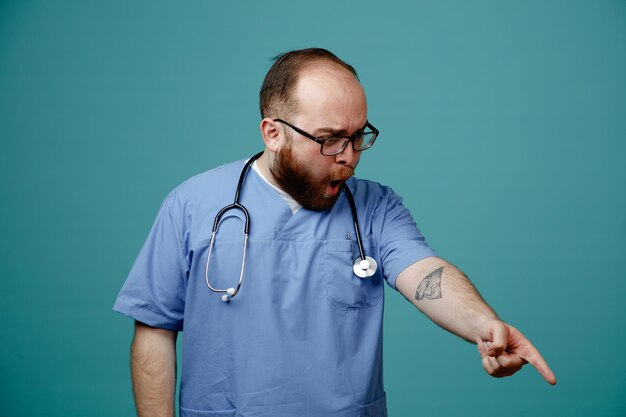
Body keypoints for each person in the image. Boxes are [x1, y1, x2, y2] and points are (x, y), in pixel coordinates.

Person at [114, 48, 556, 417]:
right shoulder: (191, 205)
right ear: (273, 133)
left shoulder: (375, 206)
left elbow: (424, 272)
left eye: (358, 136)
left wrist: (484, 324)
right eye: (329, 138)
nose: (349, 157)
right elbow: (155, 329)